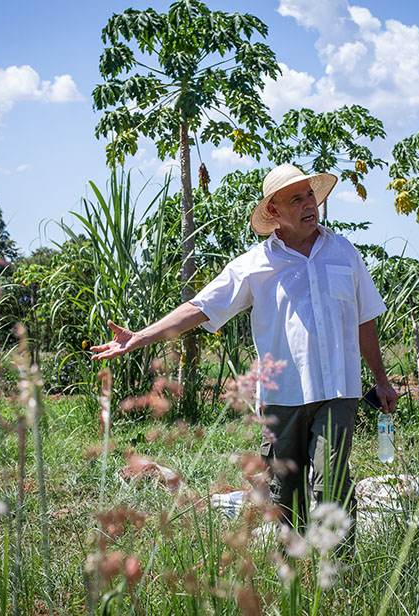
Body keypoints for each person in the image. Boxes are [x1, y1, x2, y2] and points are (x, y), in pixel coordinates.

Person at [91, 163, 399, 542]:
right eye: (296, 198)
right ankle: (293, 570)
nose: (309, 204)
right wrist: (140, 337)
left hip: (338, 391)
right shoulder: (255, 264)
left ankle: (339, 572)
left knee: (330, 481)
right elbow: (201, 307)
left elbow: (364, 319)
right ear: (273, 211)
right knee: (285, 494)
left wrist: (381, 380)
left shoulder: (343, 252)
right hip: (282, 396)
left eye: (310, 195)